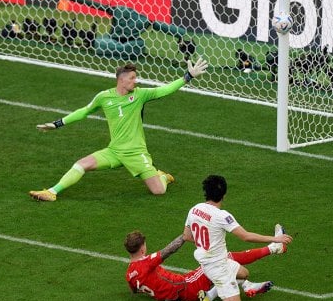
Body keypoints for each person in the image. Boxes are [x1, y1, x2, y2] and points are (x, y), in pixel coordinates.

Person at [29, 58, 209, 201]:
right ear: (121, 80)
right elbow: (84, 111)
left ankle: (161, 176)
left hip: (136, 152)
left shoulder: (140, 95)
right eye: (132, 78)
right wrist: (57, 124)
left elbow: (165, 90)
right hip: (114, 150)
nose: (135, 81)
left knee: (158, 191)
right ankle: (52, 192)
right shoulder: (104, 97)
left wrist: (188, 76)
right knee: (81, 164)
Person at [177, 175, 293, 301]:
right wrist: (274, 238)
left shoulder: (194, 209)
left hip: (211, 262)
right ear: (224, 194)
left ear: (206, 192)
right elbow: (245, 236)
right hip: (218, 267)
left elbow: (186, 236)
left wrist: (204, 243)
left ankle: (209, 296)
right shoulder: (221, 216)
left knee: (243, 274)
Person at [124, 227, 286, 301]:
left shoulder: (130, 273)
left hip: (176, 292)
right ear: (142, 248)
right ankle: (273, 248)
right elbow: (167, 251)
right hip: (186, 286)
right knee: (224, 258)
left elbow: (134, 290)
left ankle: (248, 286)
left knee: (221, 268)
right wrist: (184, 237)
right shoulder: (145, 263)